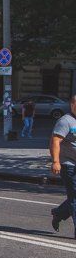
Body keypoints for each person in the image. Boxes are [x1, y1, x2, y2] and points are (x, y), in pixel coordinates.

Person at [50, 95, 76, 237]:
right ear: (72, 105)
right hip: (68, 165)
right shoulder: (65, 121)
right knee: (75, 197)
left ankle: (58, 213)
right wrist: (56, 161)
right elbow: (55, 141)